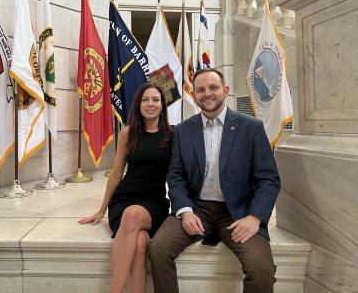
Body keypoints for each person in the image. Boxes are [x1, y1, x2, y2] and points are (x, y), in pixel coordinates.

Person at [148, 68, 280, 293]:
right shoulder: (182, 131)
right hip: (197, 208)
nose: (207, 93)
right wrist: (185, 211)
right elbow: (175, 176)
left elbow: (268, 178)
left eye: (213, 88)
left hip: (238, 211)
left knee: (261, 268)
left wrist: (254, 217)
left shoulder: (251, 128)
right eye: (200, 89)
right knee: (158, 249)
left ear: (225, 91)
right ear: (195, 95)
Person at [79, 82, 173, 293]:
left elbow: (179, 175)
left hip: (154, 204)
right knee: (139, 244)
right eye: (145, 99)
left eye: (156, 100)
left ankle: (115, 290)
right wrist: (102, 209)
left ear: (162, 105)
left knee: (132, 216)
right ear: (138, 104)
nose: (150, 104)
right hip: (124, 199)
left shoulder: (172, 135)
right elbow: (115, 173)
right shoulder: (128, 133)